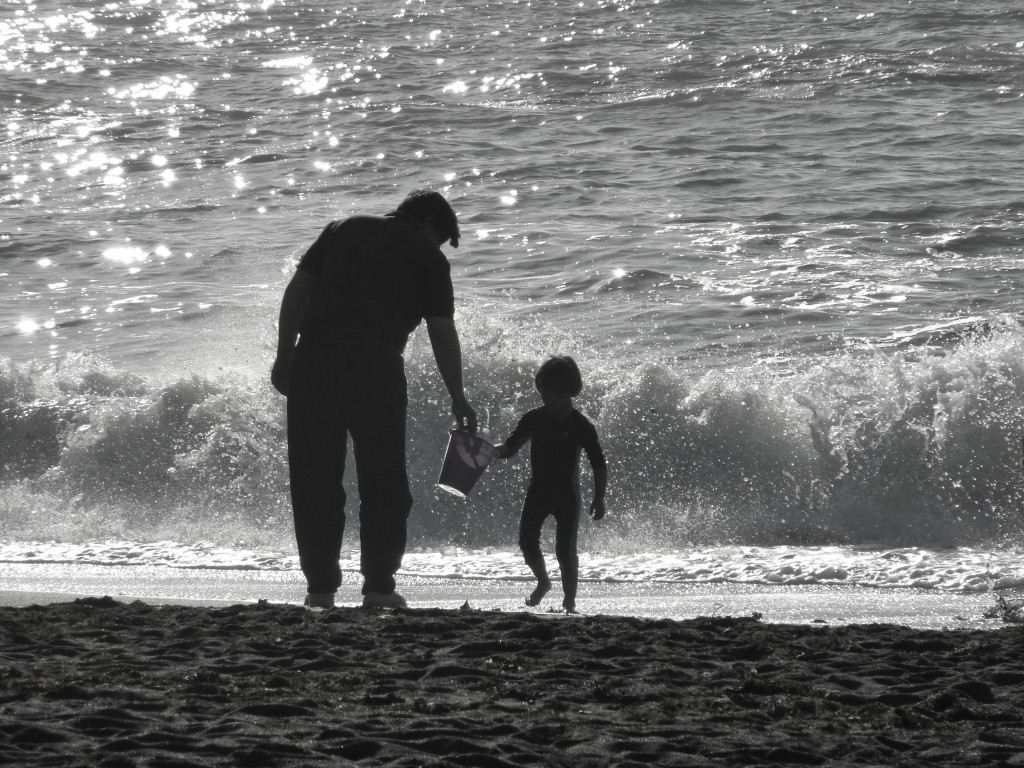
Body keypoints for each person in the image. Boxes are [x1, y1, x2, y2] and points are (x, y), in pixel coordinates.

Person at [271, 190, 477, 610]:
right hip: (376, 371)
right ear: (429, 225)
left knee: (315, 480)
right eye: (439, 239)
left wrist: (284, 354)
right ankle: (379, 589)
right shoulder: (428, 258)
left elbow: (297, 291)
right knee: (384, 483)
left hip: (315, 363)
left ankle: (321, 590)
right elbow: (441, 331)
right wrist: (458, 395)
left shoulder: (343, 229)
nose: (436, 247)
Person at [494, 356, 607, 614]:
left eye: (555, 391)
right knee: (526, 540)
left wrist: (599, 498)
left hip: (567, 494)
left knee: (565, 549)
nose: (548, 396)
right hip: (538, 491)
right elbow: (510, 448)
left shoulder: (581, 425)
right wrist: (485, 451)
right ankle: (543, 582)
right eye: (543, 390)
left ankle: (569, 602)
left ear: (570, 391)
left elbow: (599, 464)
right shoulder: (534, 418)